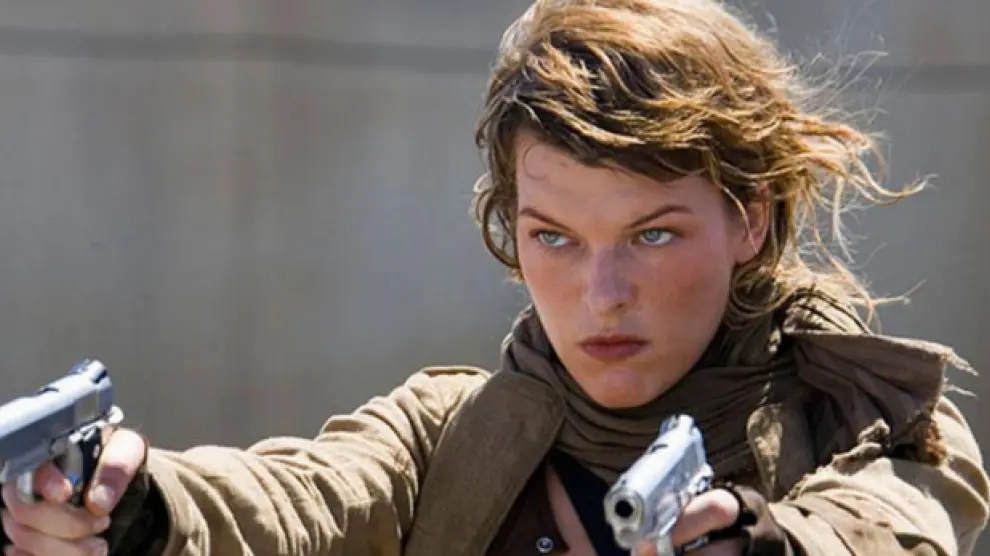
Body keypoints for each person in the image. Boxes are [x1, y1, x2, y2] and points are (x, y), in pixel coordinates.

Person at [3, 0, 989, 554]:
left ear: (749, 218)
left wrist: (761, 540)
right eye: (555, 237)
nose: (602, 293)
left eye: (651, 235)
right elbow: (298, 500)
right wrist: (136, 502)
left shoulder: (875, 420)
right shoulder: (453, 434)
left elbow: (888, 528)